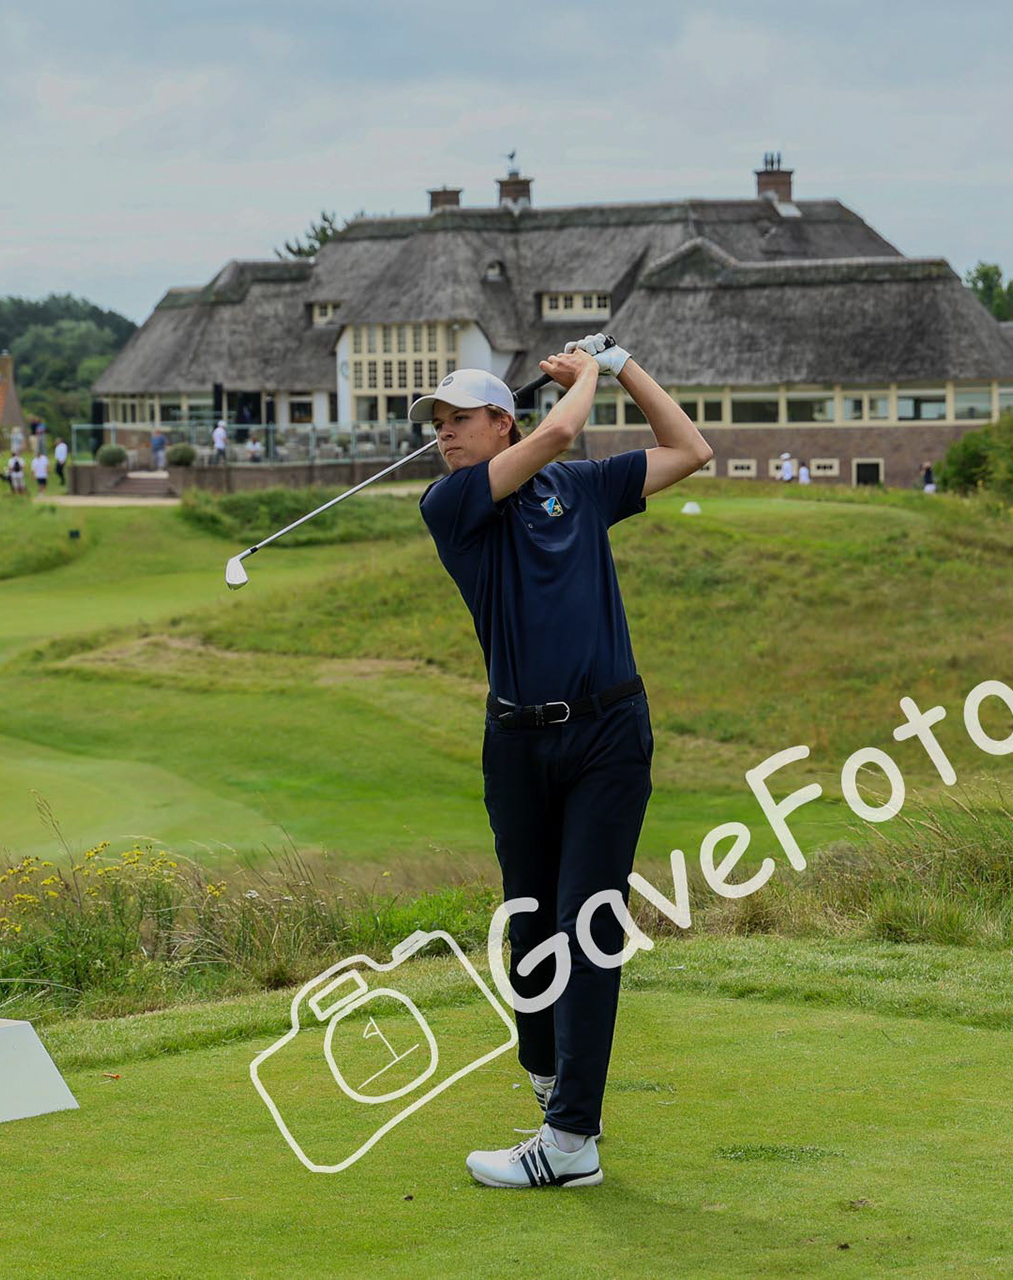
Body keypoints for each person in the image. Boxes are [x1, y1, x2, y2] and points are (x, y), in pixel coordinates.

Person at [416, 335, 711, 1190]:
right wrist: (584, 380)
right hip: (516, 742)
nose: (445, 434)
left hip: (609, 735)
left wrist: (621, 369)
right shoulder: (450, 505)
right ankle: (552, 1084)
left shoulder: (579, 491)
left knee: (590, 923)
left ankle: (571, 1138)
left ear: (498, 421)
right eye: (437, 423)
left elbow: (690, 449)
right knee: (531, 925)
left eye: (459, 419)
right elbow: (554, 436)